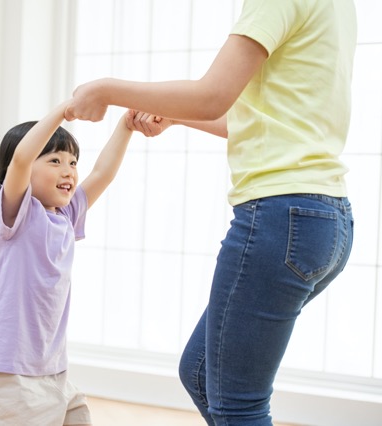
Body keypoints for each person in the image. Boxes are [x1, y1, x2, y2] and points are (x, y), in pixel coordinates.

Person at [65, 1, 356, 425]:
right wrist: (176, 117)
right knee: (200, 371)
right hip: (327, 219)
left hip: (280, 217)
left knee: (240, 403)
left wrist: (105, 89)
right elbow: (258, 116)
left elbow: (212, 95)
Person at [0, 100, 144, 426]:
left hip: (50, 367)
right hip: (5, 371)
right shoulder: (13, 212)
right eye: (55, 160)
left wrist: (126, 126)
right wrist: (63, 111)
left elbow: (102, 173)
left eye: (73, 162)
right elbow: (20, 159)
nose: (68, 170)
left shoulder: (66, 215)